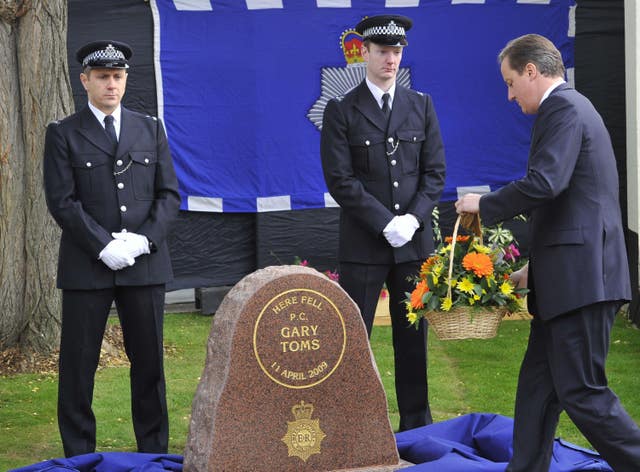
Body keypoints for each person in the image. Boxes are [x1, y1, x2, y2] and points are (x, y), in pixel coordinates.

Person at [455, 34, 640, 471]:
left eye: (510, 81)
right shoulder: (571, 109)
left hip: (582, 283)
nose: (509, 94)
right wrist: (531, 272)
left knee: (582, 393)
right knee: (537, 392)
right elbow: (569, 205)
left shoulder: (565, 109)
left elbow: (545, 184)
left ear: (532, 71)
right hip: (569, 280)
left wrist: (484, 203)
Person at [43, 40, 181, 457]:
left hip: (144, 265)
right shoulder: (63, 133)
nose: (111, 84)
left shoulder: (150, 128)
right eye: (102, 77)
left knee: (149, 365)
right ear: (84, 80)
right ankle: (81, 454)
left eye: (117, 76)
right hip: (89, 264)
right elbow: (61, 200)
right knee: (78, 366)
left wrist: (143, 240)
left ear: (125, 79)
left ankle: (153, 453)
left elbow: (169, 195)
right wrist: (103, 246)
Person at [321, 15, 446, 431]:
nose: (391, 59)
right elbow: (340, 179)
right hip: (364, 244)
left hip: (412, 243)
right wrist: (382, 221)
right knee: (355, 340)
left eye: (397, 52)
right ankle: (351, 426)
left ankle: (416, 426)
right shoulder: (342, 110)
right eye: (383, 52)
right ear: (365, 54)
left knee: (413, 339)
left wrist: (412, 218)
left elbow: (435, 173)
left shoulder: (421, 105)